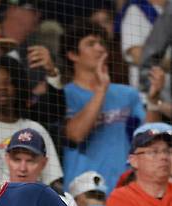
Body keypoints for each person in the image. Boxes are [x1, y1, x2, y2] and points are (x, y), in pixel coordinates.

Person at [62, 19, 159, 193]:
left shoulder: (128, 93)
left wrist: (153, 101)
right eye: (91, 44)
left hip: (125, 187)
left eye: (101, 43)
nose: (100, 49)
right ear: (72, 54)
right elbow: (75, 134)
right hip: (84, 193)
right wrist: (101, 90)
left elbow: (149, 137)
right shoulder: (64, 94)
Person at [0, 55, 63, 186]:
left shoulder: (35, 129)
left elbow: (53, 181)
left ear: (18, 87)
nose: (2, 87)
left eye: (8, 82)